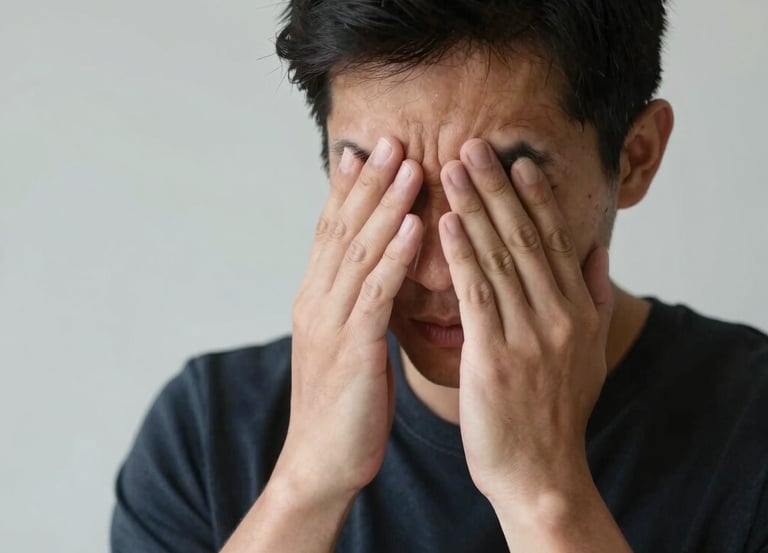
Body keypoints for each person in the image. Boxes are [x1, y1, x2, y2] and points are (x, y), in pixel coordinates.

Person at [111, 1, 768, 551]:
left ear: (635, 157)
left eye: (503, 183)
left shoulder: (750, 429)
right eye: (382, 182)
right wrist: (306, 485)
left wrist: (545, 497)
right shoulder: (205, 434)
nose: (433, 271)